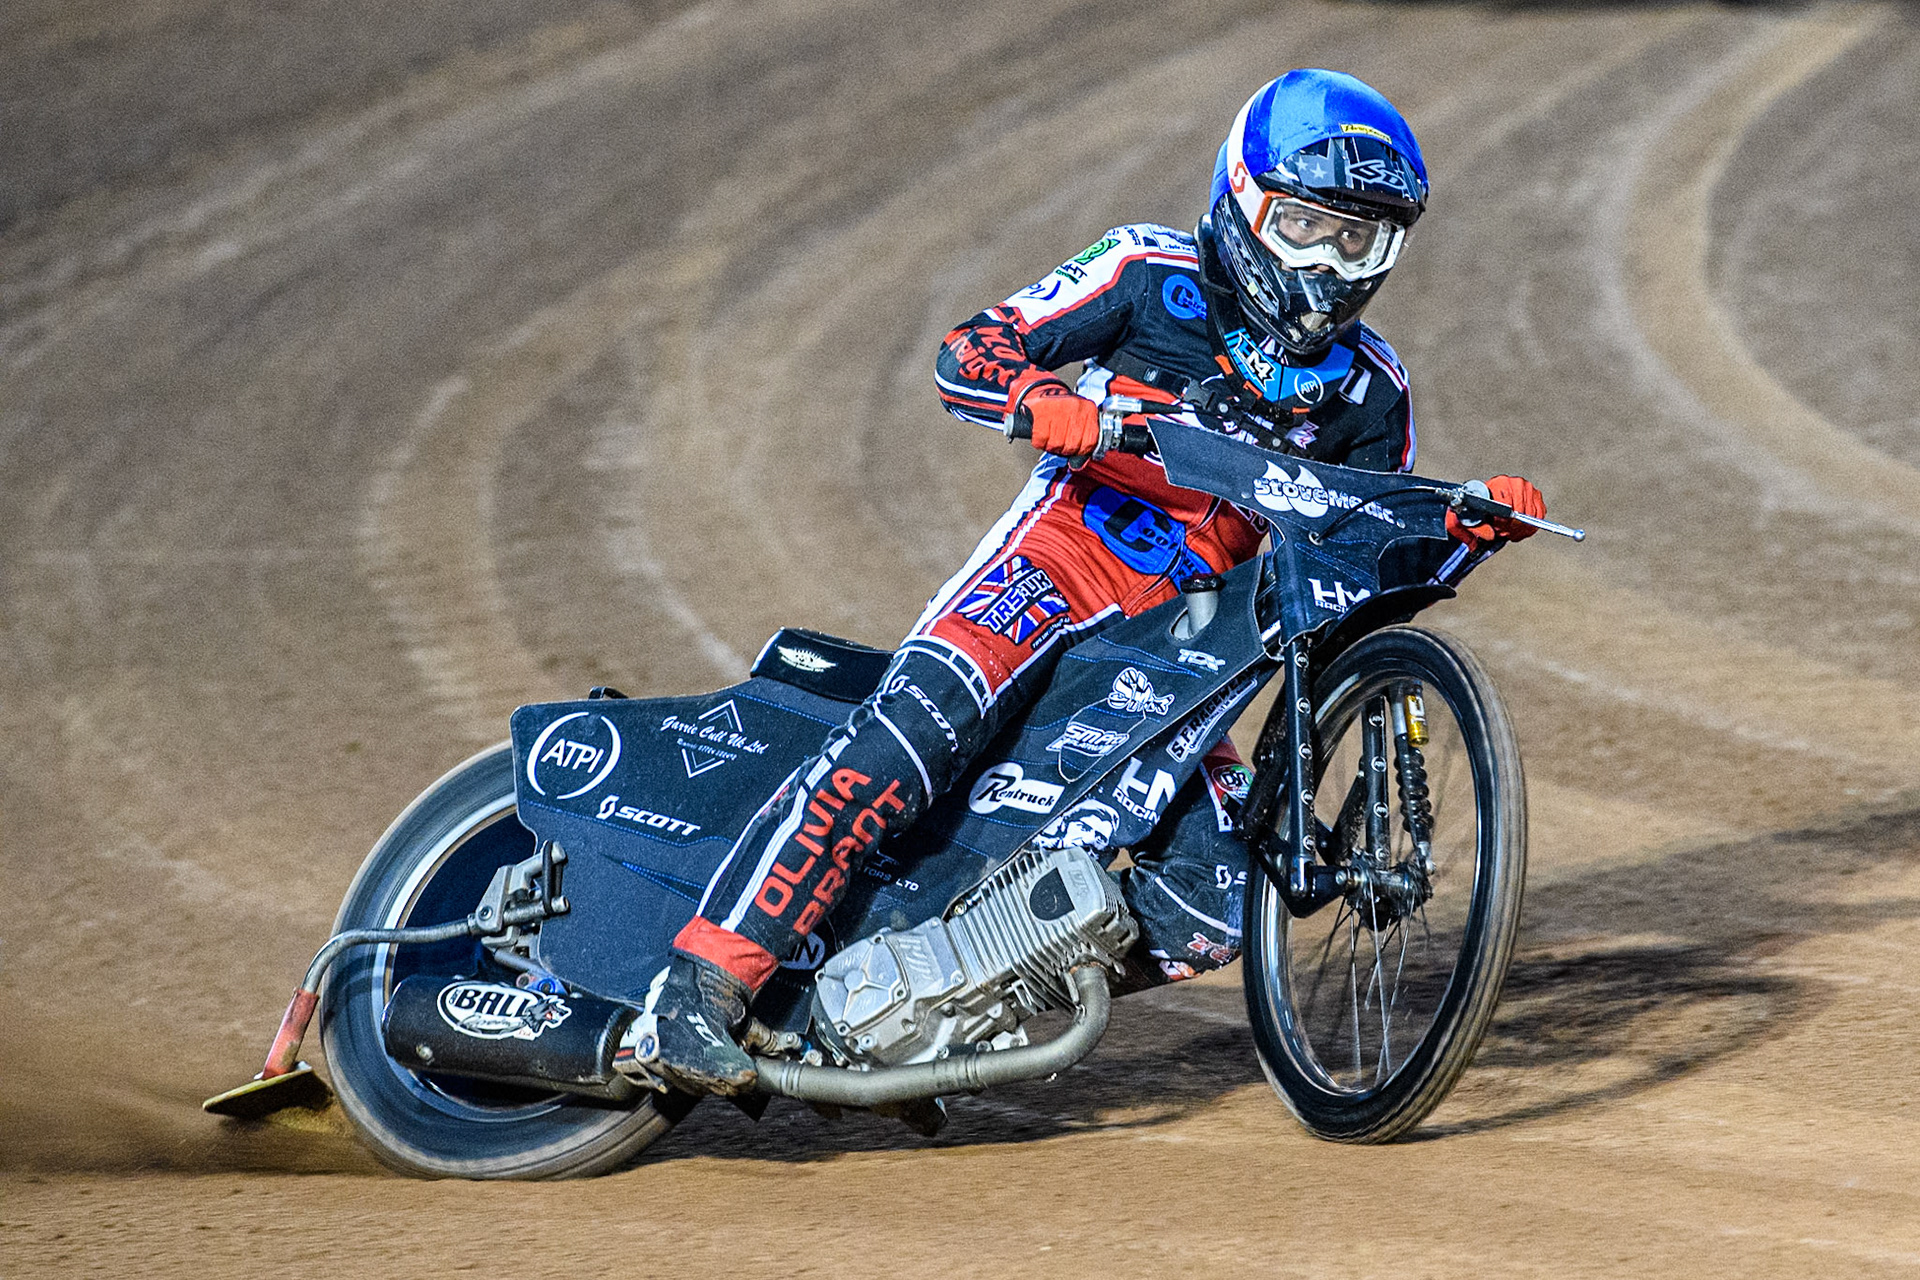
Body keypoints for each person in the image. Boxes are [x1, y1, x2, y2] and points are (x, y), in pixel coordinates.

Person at [623, 68, 1546, 1096]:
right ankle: (693, 987)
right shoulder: (1150, 270)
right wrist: (1037, 397)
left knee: (1217, 900)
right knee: (912, 735)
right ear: (1242, 202)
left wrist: (1455, 529)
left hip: (1188, 657)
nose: (1328, 263)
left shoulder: (1374, 390)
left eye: (1357, 239)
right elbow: (968, 349)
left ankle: (958, 1006)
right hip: (1050, 570)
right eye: (1305, 225)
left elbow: (1359, 588)